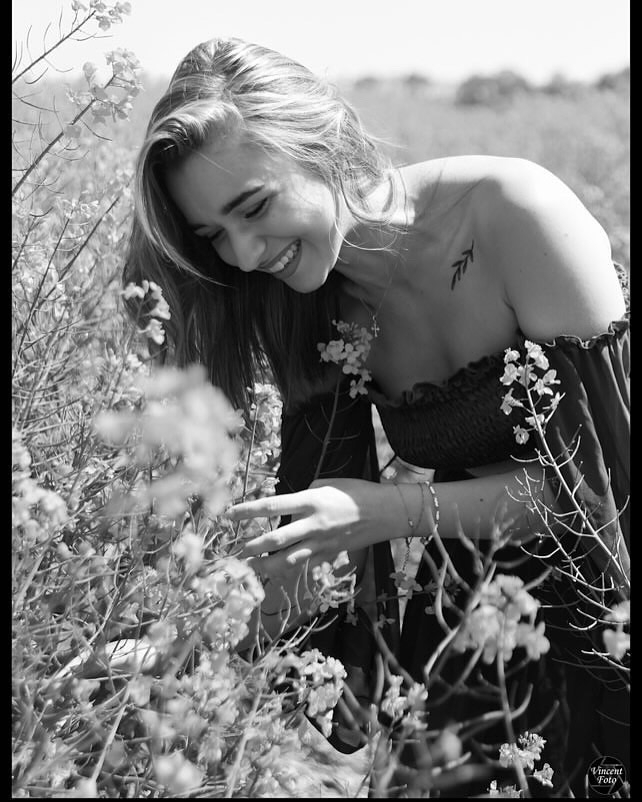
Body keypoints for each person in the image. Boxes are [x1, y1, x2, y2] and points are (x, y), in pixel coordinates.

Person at [124, 37, 629, 797]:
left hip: (611, 591)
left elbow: (600, 489)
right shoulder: (311, 303)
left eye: (254, 208)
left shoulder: (512, 212)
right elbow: (310, 541)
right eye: (214, 237)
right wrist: (170, 643)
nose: (246, 254)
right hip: (480, 609)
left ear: (324, 142)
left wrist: (385, 510)